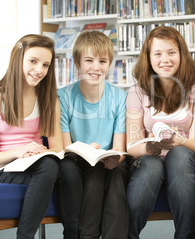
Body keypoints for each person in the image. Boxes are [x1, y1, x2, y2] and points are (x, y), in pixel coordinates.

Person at [126, 26, 195, 239]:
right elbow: (131, 145)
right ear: (149, 58)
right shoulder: (137, 91)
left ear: (182, 54)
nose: (165, 59)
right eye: (158, 53)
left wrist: (180, 141)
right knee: (153, 163)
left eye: (171, 52)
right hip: (148, 162)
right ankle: (128, 234)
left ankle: (185, 235)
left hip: (183, 165)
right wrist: (149, 146)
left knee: (179, 154)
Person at [57, 31, 128, 239]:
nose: (96, 67)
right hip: (75, 162)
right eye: (89, 60)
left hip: (108, 164)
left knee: (113, 174)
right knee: (94, 173)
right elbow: (64, 148)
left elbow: (119, 148)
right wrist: (89, 152)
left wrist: (116, 157)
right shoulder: (63, 97)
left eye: (103, 61)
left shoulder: (118, 97)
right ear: (77, 63)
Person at [0, 34, 62, 238]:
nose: (39, 70)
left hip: (36, 165)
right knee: (48, 167)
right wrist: (19, 151)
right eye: (33, 61)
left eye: (45, 65)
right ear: (18, 58)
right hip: (5, 168)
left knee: (54, 165)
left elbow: (57, 148)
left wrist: (40, 152)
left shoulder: (48, 99)